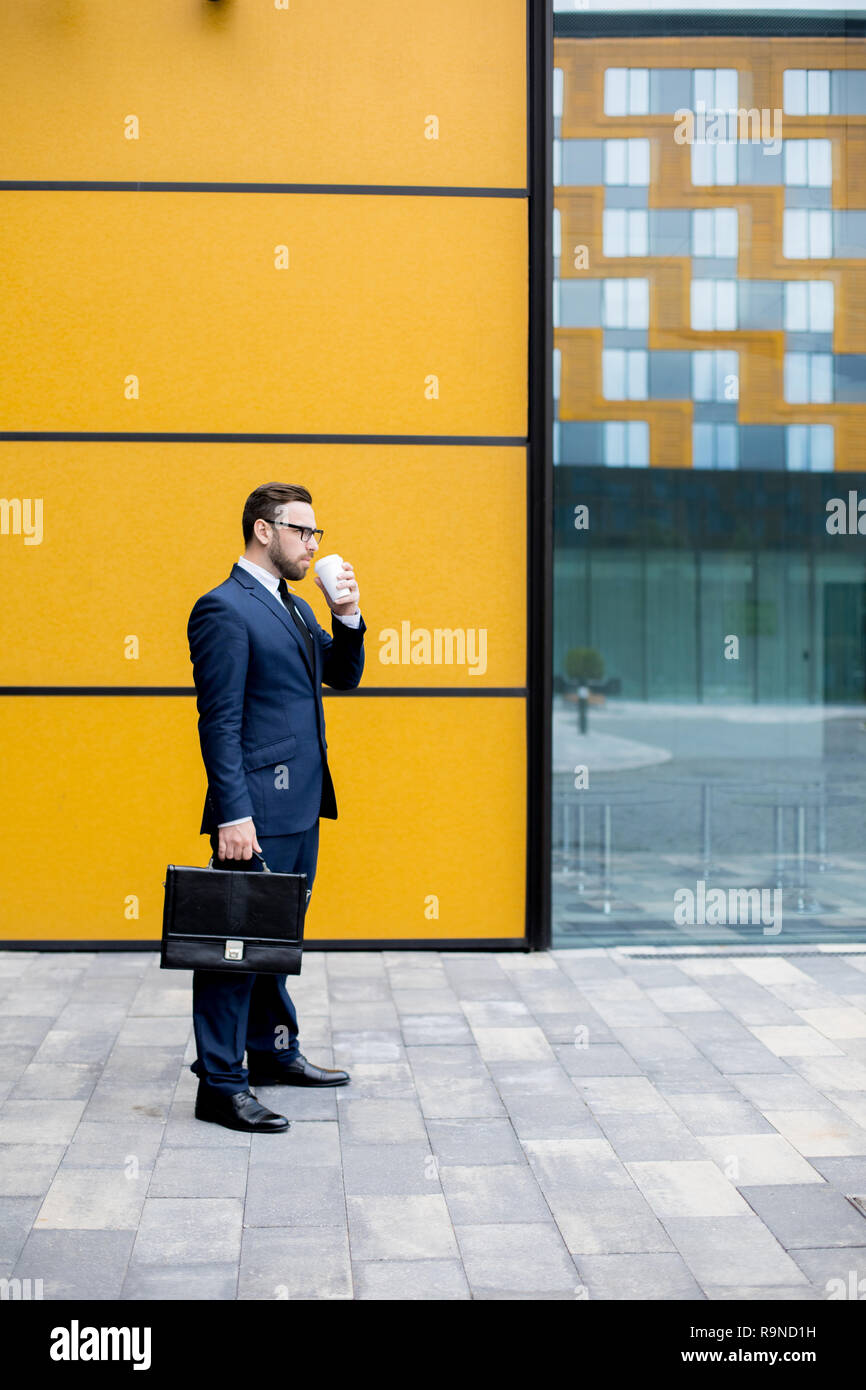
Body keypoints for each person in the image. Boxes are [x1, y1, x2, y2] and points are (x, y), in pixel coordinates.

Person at [186, 482, 366, 1132]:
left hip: (301, 805)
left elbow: (341, 676)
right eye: (303, 531)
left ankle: (270, 1052)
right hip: (256, 811)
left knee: (273, 941)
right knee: (234, 949)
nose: (313, 544)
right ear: (264, 530)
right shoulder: (224, 610)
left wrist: (344, 614)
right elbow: (220, 722)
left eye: (316, 534)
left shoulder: (289, 606)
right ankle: (221, 1083)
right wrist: (234, 815)